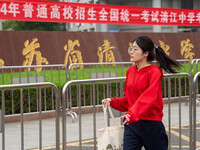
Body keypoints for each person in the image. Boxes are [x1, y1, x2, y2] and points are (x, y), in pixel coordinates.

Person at [102, 36, 181, 150]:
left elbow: (150, 96)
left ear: (145, 54)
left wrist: (131, 114)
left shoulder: (154, 72)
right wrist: (113, 102)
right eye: (131, 49)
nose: (131, 52)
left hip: (151, 124)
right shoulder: (130, 71)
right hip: (132, 124)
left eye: (135, 49)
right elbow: (130, 99)